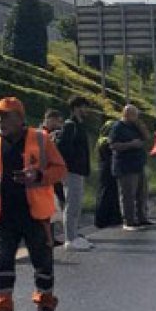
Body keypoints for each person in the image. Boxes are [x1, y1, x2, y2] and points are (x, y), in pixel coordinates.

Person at [0, 97, 67, 311]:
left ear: (19, 118)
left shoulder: (40, 138)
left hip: (34, 214)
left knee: (42, 261)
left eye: (4, 116)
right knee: (2, 262)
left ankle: (45, 304)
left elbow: (59, 169)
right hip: (3, 214)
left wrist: (37, 176)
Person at [55, 97, 94, 251]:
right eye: (84, 107)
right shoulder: (70, 126)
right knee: (71, 205)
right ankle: (70, 239)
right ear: (76, 108)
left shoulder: (79, 126)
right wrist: (73, 163)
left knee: (76, 204)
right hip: (71, 170)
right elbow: (63, 148)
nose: (87, 110)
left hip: (77, 170)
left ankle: (74, 235)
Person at [110, 105, 154, 230]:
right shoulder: (118, 127)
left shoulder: (135, 126)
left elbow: (147, 137)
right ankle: (129, 220)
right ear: (127, 114)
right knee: (128, 194)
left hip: (138, 164)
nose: (136, 117)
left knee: (142, 193)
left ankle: (142, 217)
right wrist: (130, 144)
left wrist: (140, 126)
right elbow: (113, 145)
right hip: (125, 165)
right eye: (134, 115)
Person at [42, 109, 66, 247]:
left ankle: (51, 236)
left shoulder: (51, 134)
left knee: (52, 207)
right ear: (49, 119)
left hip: (52, 173)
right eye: (57, 121)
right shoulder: (42, 134)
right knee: (47, 207)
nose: (58, 124)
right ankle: (47, 237)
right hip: (44, 176)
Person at [93, 119, 123, 229]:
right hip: (107, 168)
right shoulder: (106, 141)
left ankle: (111, 218)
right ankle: (104, 219)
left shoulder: (101, 140)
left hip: (105, 168)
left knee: (110, 193)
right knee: (107, 193)